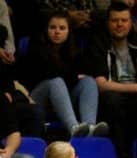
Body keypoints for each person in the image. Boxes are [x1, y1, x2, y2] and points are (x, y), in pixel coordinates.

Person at [86, 1, 137, 158]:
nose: (119, 24)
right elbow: (102, 85)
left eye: (124, 20)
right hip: (111, 96)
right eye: (115, 20)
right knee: (113, 101)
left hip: (136, 96)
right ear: (107, 23)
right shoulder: (98, 43)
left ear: (131, 22)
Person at [24, 11, 107, 139]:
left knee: (88, 81)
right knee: (56, 81)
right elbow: (50, 72)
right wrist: (72, 76)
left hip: (62, 101)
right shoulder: (36, 47)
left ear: (69, 31)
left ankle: (90, 127)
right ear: (46, 29)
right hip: (37, 100)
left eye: (62, 28)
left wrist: (71, 76)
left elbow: (82, 72)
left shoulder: (73, 50)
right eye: (53, 27)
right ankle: (73, 128)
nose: (57, 32)